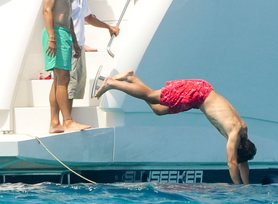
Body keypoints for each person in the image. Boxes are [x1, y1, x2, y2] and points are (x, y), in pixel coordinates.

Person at [95, 71, 256, 184]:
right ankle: (112, 83)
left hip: (197, 98)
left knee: (158, 110)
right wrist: (237, 188)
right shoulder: (234, 133)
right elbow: (232, 163)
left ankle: (132, 78)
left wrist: (246, 187)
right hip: (197, 92)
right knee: (152, 96)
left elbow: (242, 161)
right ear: (237, 147)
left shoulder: (243, 132)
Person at [42, 0, 89, 133]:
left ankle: (55, 123)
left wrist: (74, 40)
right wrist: (52, 38)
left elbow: (68, 15)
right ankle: (67, 121)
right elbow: (47, 10)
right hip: (55, 33)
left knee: (58, 80)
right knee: (63, 79)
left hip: (65, 34)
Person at [66, 0, 121, 112]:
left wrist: (108, 27)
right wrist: (74, 43)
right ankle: (66, 118)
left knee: (77, 83)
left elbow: (88, 17)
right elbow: (65, 21)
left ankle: (68, 116)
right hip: (69, 43)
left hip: (78, 44)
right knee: (69, 83)